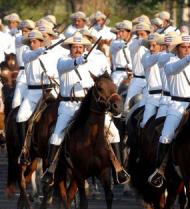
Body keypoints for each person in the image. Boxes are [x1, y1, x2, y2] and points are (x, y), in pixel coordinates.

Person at [40, 32, 129, 186]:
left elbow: (102, 79)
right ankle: (51, 170)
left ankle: (118, 170)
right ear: (70, 48)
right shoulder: (63, 61)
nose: (78, 49)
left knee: (114, 133)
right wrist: (80, 60)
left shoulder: (91, 61)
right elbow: (67, 66)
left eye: (81, 47)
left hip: (89, 105)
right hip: (69, 105)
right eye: (75, 47)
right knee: (57, 135)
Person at [147, 34, 190, 187]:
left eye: (189, 48)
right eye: (183, 47)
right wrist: (187, 60)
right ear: (177, 49)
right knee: (165, 136)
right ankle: (159, 171)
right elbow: (175, 69)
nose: (186, 50)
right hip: (177, 106)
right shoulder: (170, 62)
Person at [17, 30, 59, 165]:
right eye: (30, 41)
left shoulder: (53, 54)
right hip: (33, 93)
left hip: (52, 89)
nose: (31, 43)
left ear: (41, 41)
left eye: (34, 41)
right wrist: (41, 50)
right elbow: (32, 55)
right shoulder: (27, 53)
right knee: (21, 117)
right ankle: (25, 150)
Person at [124, 22, 151, 113]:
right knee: (126, 107)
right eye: (138, 34)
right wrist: (141, 41)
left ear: (148, 34)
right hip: (137, 80)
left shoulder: (153, 46)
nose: (139, 36)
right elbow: (134, 46)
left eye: (142, 34)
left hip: (150, 81)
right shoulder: (134, 44)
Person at [141, 33, 164, 127]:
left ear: (161, 46)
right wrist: (164, 54)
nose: (151, 48)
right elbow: (150, 61)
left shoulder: (166, 55)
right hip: (152, 97)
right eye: (149, 45)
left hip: (166, 98)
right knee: (145, 123)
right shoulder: (145, 57)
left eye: (154, 45)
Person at [12, 20, 35, 109]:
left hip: (35, 76)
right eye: (23, 31)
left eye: (28, 30)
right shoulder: (18, 39)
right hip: (23, 75)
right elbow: (26, 40)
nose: (25, 33)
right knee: (16, 103)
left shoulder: (38, 41)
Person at [110, 20, 133, 88]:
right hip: (118, 74)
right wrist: (127, 42)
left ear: (129, 32)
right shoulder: (115, 43)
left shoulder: (134, 43)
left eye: (123, 31)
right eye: (119, 31)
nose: (120, 34)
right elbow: (121, 45)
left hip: (132, 74)